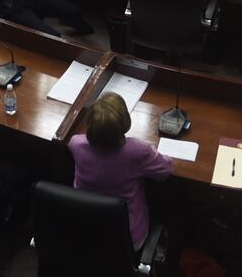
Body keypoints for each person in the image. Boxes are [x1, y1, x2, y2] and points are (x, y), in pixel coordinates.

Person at [68, 92, 173, 249]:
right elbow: (165, 171)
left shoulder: (75, 144)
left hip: (86, 229)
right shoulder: (137, 151)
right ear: (124, 123)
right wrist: (150, 150)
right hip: (128, 239)